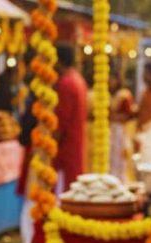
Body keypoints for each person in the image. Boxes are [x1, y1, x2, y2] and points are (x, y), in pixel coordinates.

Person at [53, 43, 88, 189]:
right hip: (75, 145)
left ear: (58, 61)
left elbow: (61, 122)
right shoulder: (78, 79)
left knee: (63, 193)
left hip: (65, 149)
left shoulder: (66, 83)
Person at [109, 73, 135, 180]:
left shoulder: (124, 95)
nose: (110, 83)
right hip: (110, 130)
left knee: (121, 157)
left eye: (112, 80)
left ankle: (121, 179)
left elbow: (129, 115)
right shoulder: (108, 95)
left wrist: (115, 118)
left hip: (120, 130)